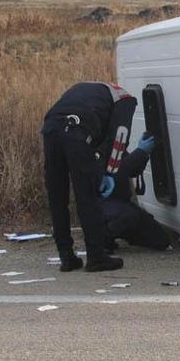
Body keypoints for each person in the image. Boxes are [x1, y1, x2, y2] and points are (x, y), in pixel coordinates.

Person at [42, 82, 137, 272]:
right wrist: (110, 172)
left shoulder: (83, 89)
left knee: (57, 198)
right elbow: (120, 137)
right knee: (87, 197)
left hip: (51, 129)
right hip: (77, 132)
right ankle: (96, 256)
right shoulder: (126, 100)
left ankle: (66, 257)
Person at [100, 134, 174, 252]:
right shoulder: (93, 145)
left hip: (119, 204)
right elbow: (116, 173)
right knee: (126, 216)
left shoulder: (115, 143)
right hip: (99, 204)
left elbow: (133, 171)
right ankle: (100, 239)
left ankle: (108, 236)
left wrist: (144, 154)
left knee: (161, 240)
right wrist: (140, 152)